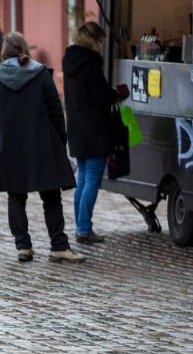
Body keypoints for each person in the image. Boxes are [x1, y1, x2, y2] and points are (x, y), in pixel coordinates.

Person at [0, 32, 85, 263]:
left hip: (9, 146)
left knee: (16, 197)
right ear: (25, 49)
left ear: (4, 54)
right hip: (42, 143)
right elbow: (56, 112)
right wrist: (60, 140)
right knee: (51, 196)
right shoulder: (40, 75)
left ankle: (23, 247)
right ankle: (58, 246)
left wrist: (3, 129)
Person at [63, 22, 128, 244]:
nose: (102, 46)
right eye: (101, 41)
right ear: (93, 40)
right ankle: (84, 229)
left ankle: (81, 226)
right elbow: (101, 96)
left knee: (83, 179)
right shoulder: (91, 63)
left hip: (76, 128)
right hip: (95, 129)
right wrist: (118, 93)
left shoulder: (70, 60)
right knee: (91, 179)